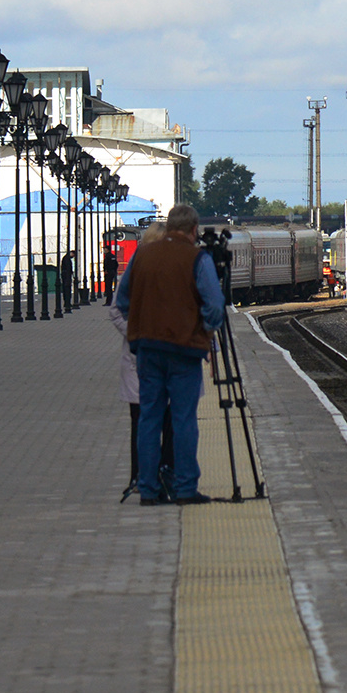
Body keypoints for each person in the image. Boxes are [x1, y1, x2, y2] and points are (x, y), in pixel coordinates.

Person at [114, 205, 225, 506]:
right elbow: (215, 305)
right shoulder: (197, 258)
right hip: (184, 349)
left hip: (147, 349)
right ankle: (185, 488)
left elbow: (122, 300)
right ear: (193, 230)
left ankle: (148, 489)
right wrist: (204, 329)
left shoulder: (143, 255)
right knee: (183, 418)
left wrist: (141, 324)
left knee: (149, 418)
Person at [113, 225, 173, 500]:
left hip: (168, 358)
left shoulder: (176, 273)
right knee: (140, 421)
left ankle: (166, 472)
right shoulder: (132, 275)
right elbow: (115, 311)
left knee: (169, 421)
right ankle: (140, 476)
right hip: (139, 358)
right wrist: (138, 333)